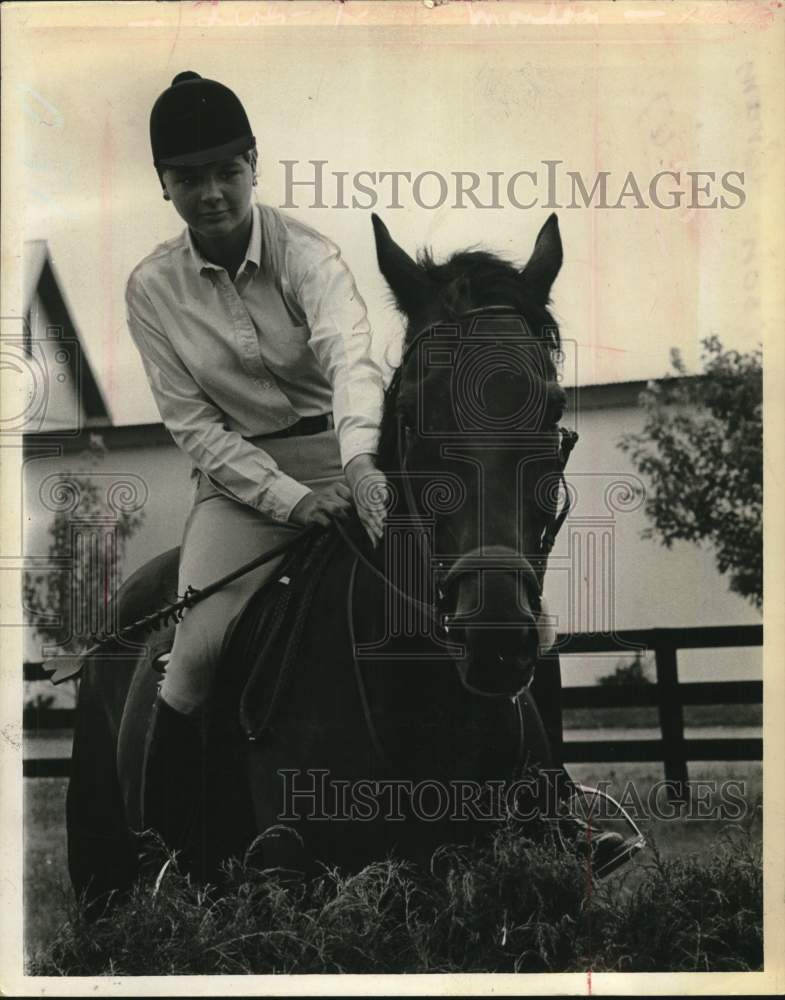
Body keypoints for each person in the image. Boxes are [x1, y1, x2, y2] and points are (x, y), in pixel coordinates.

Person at [126, 71, 386, 843]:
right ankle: (169, 850)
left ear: (254, 164)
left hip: (349, 458)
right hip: (240, 489)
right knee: (196, 656)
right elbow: (193, 425)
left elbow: (353, 360)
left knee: (497, 608)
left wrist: (364, 465)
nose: (211, 193)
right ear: (164, 183)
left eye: (226, 172)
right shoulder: (149, 290)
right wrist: (292, 500)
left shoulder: (310, 254)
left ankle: (554, 811)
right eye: (188, 178)